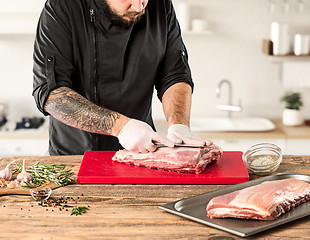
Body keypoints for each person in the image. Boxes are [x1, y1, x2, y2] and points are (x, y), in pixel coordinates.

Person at [33, 0, 210, 155]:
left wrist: (179, 127)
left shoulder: (160, 5)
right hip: (74, 157)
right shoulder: (62, 7)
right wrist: (121, 127)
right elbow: (52, 95)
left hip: (141, 153)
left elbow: (175, 75)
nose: (139, 6)